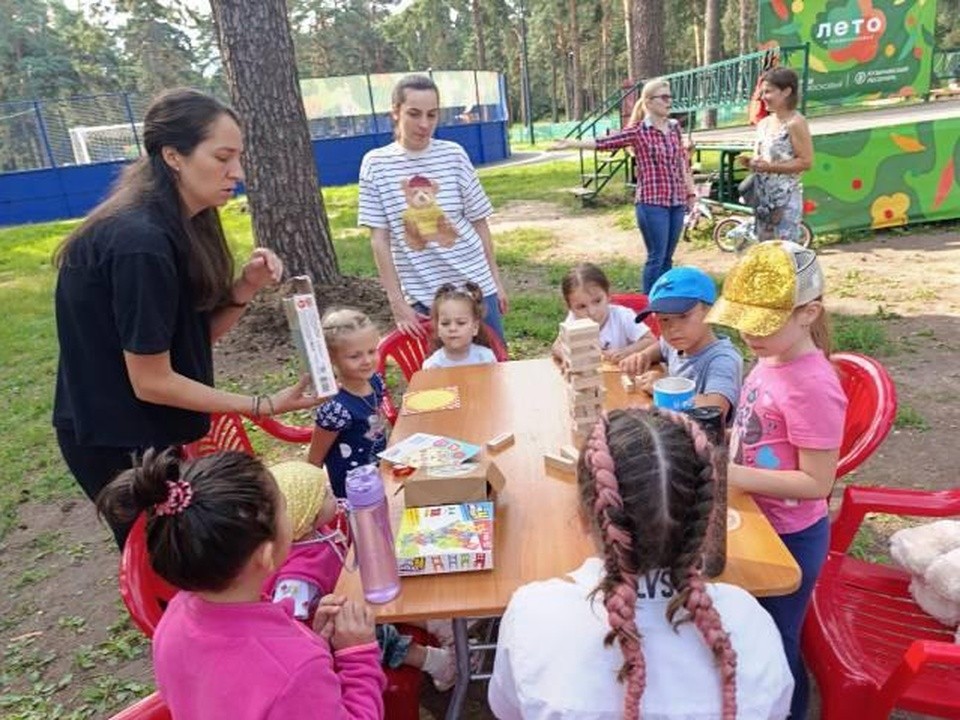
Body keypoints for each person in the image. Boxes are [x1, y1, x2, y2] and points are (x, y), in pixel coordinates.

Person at [52, 88, 318, 548]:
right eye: (222, 157)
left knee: (188, 552)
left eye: (238, 157)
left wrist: (244, 289)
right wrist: (261, 404)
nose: (237, 171)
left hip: (154, 423)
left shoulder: (183, 225)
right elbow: (151, 380)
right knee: (165, 556)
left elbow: (191, 340)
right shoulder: (141, 244)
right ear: (173, 155)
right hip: (114, 433)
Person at [488, 408, 793, 719]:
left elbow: (508, 709)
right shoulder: (752, 624)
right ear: (706, 520)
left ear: (583, 517)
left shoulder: (532, 615)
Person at [96, 448, 385, 718]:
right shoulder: (295, 670)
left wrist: (317, 642)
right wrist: (357, 656)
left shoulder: (176, 616)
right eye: (283, 507)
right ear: (267, 555)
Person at [705, 240, 847, 719]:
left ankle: (787, 711)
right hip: (757, 519)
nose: (748, 333)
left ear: (808, 313)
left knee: (776, 641)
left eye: (762, 323)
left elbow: (817, 483)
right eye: (741, 319)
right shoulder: (771, 357)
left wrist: (735, 475)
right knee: (750, 629)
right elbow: (758, 428)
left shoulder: (812, 384)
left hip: (791, 538)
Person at [265, 460, 457, 692]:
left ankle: (441, 625)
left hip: (349, 598)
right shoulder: (296, 578)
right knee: (383, 637)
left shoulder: (315, 533)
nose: (332, 493)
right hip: (333, 631)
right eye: (325, 494)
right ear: (307, 515)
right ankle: (437, 663)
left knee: (387, 596)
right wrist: (325, 638)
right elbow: (292, 628)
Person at [358, 74, 508, 344]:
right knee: (438, 381)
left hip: (476, 289)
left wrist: (495, 281)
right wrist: (397, 303)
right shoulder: (375, 164)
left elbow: (479, 224)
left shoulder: (454, 155)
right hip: (425, 298)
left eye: (432, 114)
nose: (424, 124)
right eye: (414, 114)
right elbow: (379, 240)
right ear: (395, 112)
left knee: (494, 373)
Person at [549, 79, 697, 293]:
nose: (669, 101)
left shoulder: (674, 128)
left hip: (676, 202)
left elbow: (682, 162)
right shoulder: (638, 131)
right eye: (664, 97)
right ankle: (649, 304)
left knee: (667, 258)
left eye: (670, 96)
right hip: (652, 202)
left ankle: (665, 302)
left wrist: (690, 193)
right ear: (648, 102)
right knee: (656, 257)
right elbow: (606, 143)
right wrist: (572, 143)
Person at [619, 267, 742, 421]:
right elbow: (661, 346)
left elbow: (716, 408)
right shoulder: (676, 343)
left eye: (683, 316)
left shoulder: (722, 359)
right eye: (664, 320)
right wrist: (643, 356)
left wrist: (666, 388)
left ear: (710, 311)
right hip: (675, 428)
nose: (672, 329)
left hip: (706, 440)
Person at [308, 309, 388, 500]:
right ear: (332, 357)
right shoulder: (335, 409)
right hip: (352, 493)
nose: (367, 361)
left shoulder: (375, 381)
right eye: (355, 356)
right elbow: (314, 460)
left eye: (372, 351)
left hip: (381, 475)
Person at [737, 68, 813, 243]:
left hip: (784, 203)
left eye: (768, 91)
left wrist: (770, 167)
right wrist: (752, 163)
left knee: (783, 257)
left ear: (786, 91)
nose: (763, 97)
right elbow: (765, 158)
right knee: (763, 258)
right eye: (762, 92)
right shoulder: (763, 124)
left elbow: (806, 161)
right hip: (762, 202)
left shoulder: (795, 123)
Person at [551, 263, 655, 364]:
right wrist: (568, 357)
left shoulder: (623, 316)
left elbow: (651, 340)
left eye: (597, 301)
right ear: (570, 307)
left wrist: (627, 352)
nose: (592, 312)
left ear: (608, 295)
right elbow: (556, 347)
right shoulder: (573, 319)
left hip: (623, 374)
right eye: (582, 307)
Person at [423, 282, 498, 369]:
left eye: (461, 323)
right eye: (445, 323)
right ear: (438, 329)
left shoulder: (486, 358)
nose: (452, 328)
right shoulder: (433, 365)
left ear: (475, 327)